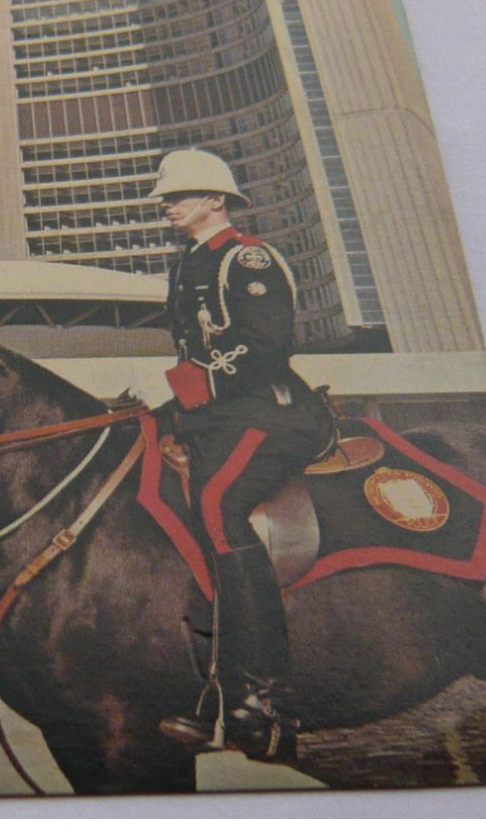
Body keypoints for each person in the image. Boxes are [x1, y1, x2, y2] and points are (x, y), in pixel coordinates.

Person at [129, 149, 334, 764]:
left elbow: (268, 344)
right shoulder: (188, 264)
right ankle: (201, 677)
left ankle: (267, 695)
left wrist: (191, 390)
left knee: (218, 503)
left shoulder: (248, 258)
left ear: (216, 200)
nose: (167, 204)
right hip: (216, 414)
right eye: (168, 197)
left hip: (271, 412)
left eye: (180, 194)